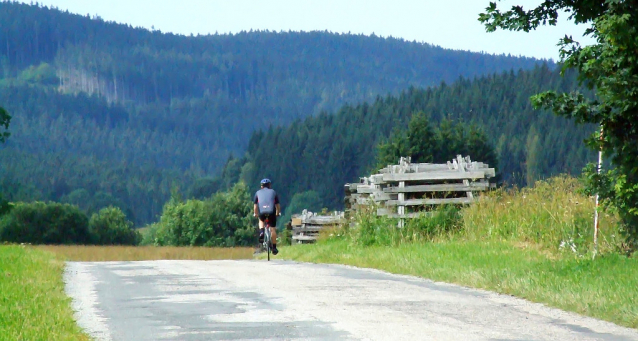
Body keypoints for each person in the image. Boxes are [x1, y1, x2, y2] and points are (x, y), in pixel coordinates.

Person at [253, 178, 281, 255]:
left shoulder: (257, 193)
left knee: (261, 220)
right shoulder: (273, 192)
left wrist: (256, 214)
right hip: (271, 212)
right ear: (269, 185)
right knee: (273, 230)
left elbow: (255, 206)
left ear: (261, 186)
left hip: (262, 212)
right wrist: (277, 213)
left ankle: (261, 232)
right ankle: (274, 248)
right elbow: (277, 205)